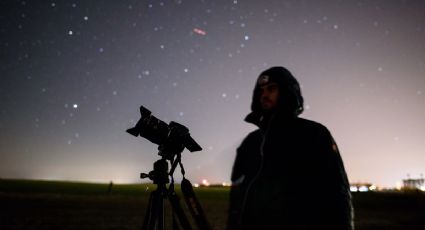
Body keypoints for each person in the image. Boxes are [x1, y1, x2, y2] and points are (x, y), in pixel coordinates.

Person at [226, 66, 354, 230]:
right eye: (261, 90)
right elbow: (236, 198)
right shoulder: (250, 142)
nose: (264, 95)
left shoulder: (314, 134)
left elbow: (337, 194)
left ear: (287, 92)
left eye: (271, 89)